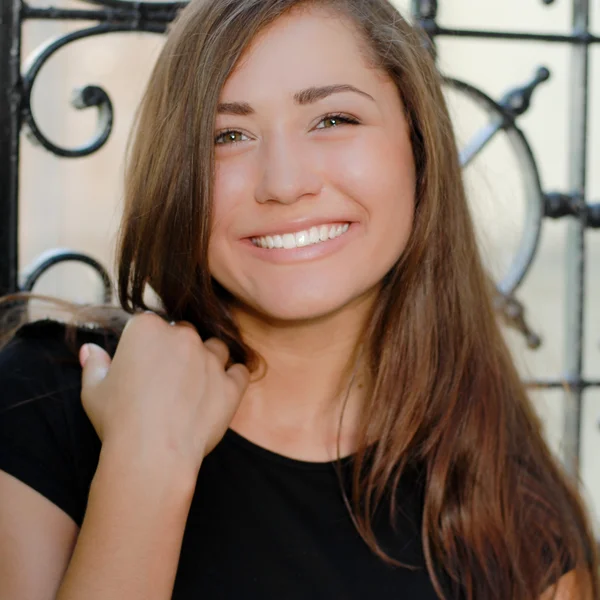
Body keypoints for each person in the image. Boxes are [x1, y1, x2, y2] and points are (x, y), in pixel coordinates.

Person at [0, 0, 597, 598]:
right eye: (228, 135)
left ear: (418, 150)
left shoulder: (518, 522)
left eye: (333, 120)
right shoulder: (45, 401)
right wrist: (146, 464)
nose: (284, 184)